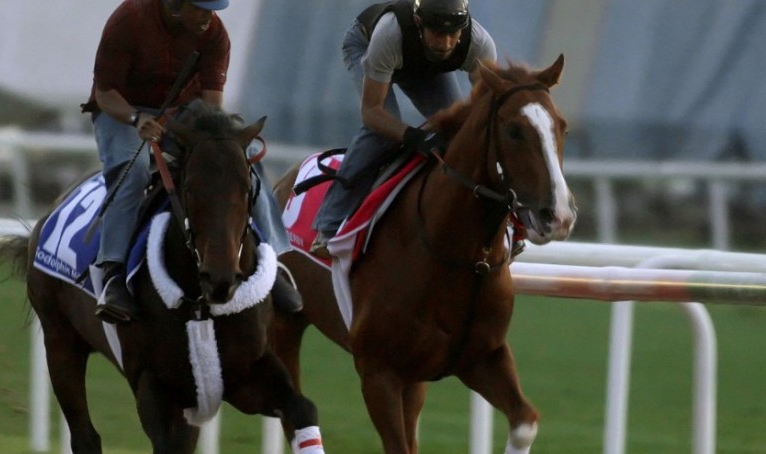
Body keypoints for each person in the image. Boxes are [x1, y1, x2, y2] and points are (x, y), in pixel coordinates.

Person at [81, 0, 303, 325]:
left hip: (182, 115)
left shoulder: (214, 32)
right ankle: (113, 276)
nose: (208, 17)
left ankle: (278, 260)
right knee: (135, 171)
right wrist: (136, 118)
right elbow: (106, 93)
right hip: (121, 111)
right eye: (201, 8)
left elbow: (212, 107)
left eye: (213, 9)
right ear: (175, 6)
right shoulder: (128, 19)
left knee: (241, 162)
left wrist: (222, 147)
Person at [309, 0, 497, 258]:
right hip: (368, 44)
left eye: (453, 34)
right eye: (437, 33)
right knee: (382, 133)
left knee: (459, 133)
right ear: (419, 23)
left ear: (464, 28)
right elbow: (372, 113)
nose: (445, 44)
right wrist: (413, 137)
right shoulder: (389, 35)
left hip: (420, 62)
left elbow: (482, 114)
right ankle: (329, 225)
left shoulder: (480, 45)